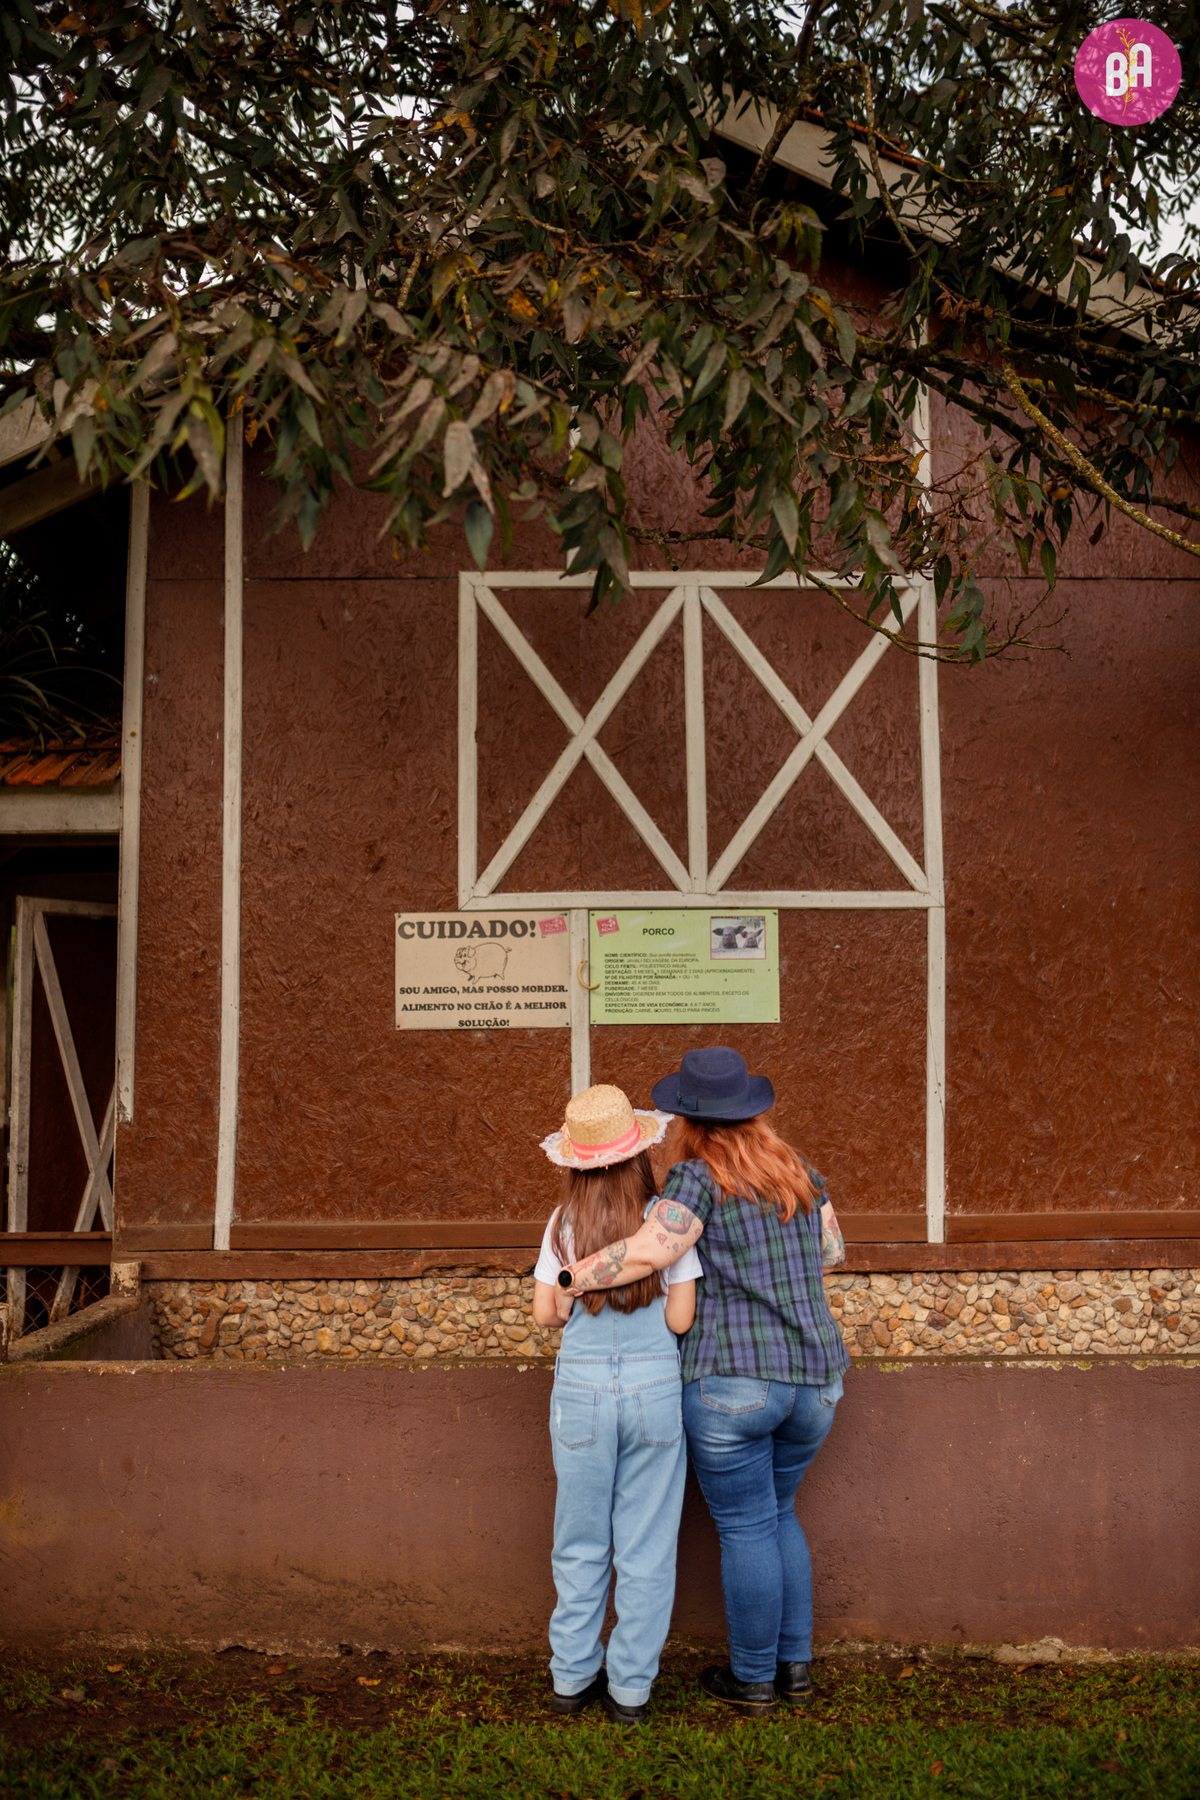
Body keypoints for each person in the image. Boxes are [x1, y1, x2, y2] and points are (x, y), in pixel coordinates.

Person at [562, 1046, 848, 1718]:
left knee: (748, 1528)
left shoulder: (695, 1181)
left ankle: (752, 1680)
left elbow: (647, 1253)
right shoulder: (801, 1175)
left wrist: (569, 1277)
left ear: (687, 1119)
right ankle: (794, 1668)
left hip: (734, 1384)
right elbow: (831, 1255)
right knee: (779, 1516)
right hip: (816, 1381)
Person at [531, 1082, 703, 1725]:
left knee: (578, 1540)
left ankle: (571, 1678)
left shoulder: (561, 1224)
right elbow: (682, 1320)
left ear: (575, 1164)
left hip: (580, 1394)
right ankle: (630, 1689)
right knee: (647, 1545)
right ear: (638, 1156)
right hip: (655, 1391)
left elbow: (547, 1314)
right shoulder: (665, 1219)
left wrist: (575, 1291)